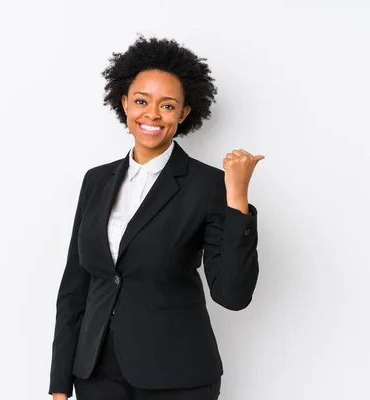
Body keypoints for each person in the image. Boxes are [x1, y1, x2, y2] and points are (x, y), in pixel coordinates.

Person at [49, 36, 264, 400]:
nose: (151, 114)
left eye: (167, 105)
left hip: (177, 376)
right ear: (124, 104)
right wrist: (59, 383)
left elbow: (233, 294)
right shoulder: (96, 180)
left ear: (183, 113)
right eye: (141, 101)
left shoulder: (209, 185)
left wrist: (238, 198)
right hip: (96, 374)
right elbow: (76, 284)